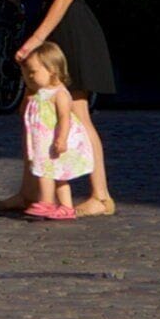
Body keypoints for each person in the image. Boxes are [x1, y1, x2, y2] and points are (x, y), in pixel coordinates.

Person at [9, 0, 122, 216]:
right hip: (51, 24)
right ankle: (30, 191)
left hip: (70, 28)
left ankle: (101, 195)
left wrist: (35, 40)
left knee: (76, 111)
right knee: (33, 108)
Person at [14, 43, 101, 220]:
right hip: (42, 142)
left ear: (52, 70)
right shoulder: (40, 93)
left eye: (33, 72)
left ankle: (46, 202)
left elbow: (64, 118)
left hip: (52, 141)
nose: (29, 77)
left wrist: (61, 138)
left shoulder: (59, 94)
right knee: (58, 176)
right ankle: (66, 207)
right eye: (27, 73)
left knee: (46, 172)